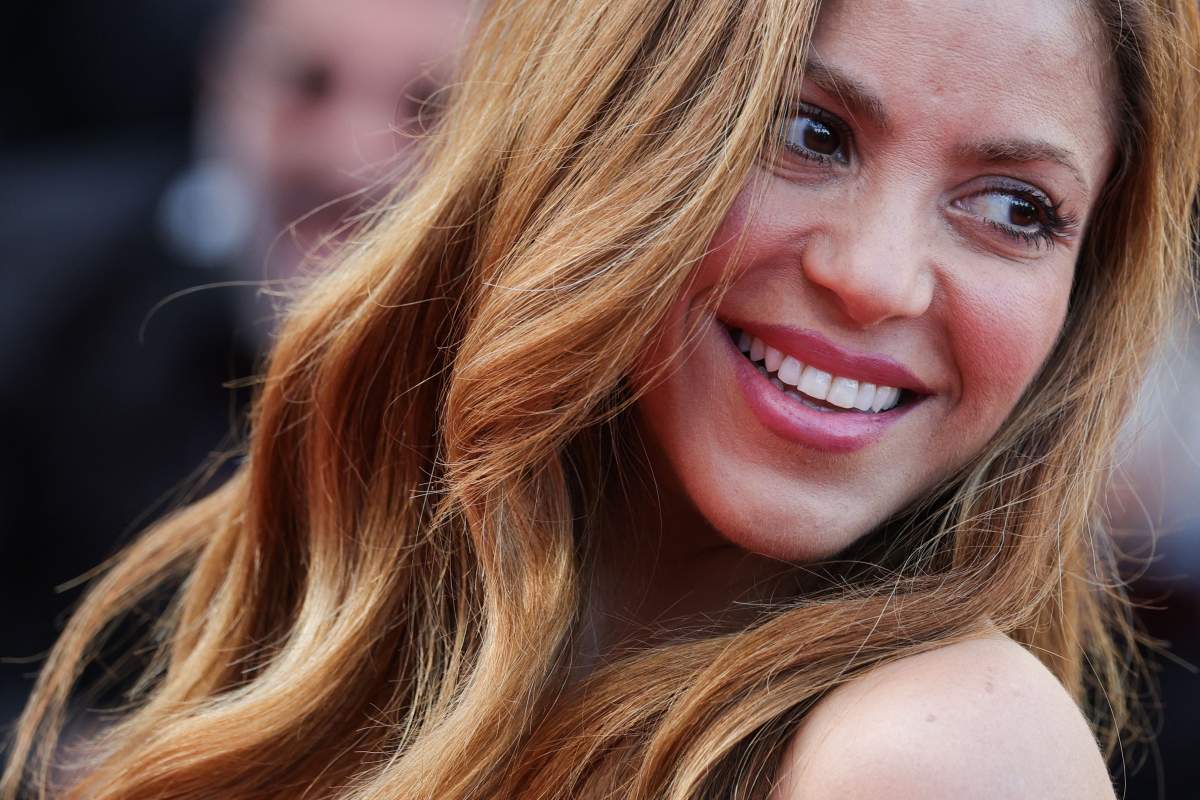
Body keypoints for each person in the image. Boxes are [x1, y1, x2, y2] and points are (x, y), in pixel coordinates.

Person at [3, 0, 1199, 797]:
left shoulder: (935, 750)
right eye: (808, 131)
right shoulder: (326, 592)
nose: (878, 277)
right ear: (603, 127)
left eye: (1016, 209)